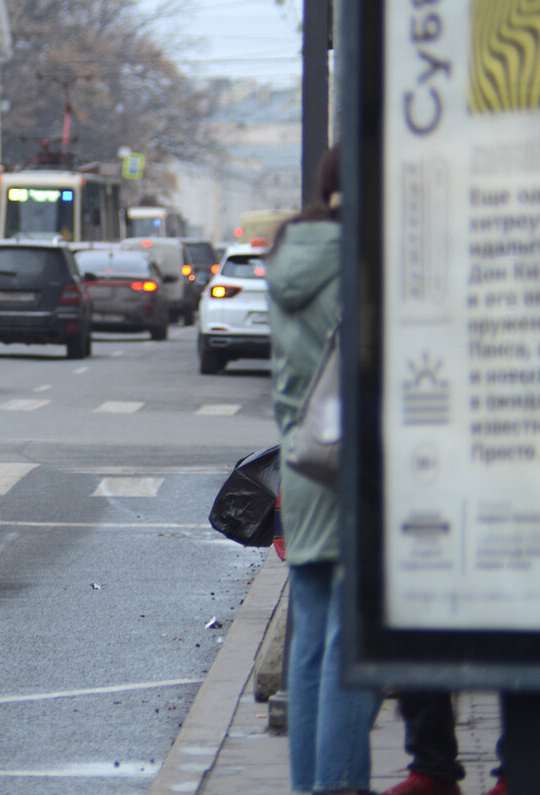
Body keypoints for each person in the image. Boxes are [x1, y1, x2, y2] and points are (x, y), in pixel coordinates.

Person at [267, 145, 383, 795]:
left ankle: (311, 784)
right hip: (356, 462)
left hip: (304, 458)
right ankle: (340, 784)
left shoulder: (287, 254)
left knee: (309, 643)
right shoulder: (360, 256)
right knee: (347, 643)